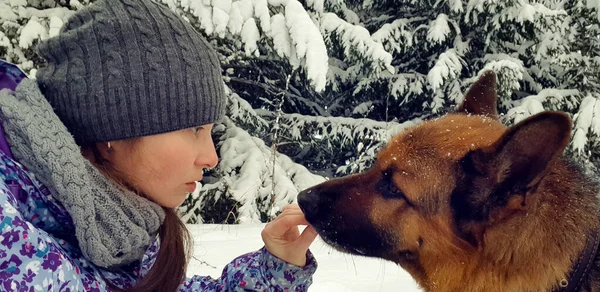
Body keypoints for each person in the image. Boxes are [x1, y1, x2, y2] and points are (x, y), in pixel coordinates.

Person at [0, 0, 318, 290]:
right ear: (115, 124)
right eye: (194, 128)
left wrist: (274, 271)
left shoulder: (115, 222)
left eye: (209, 131)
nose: (210, 158)